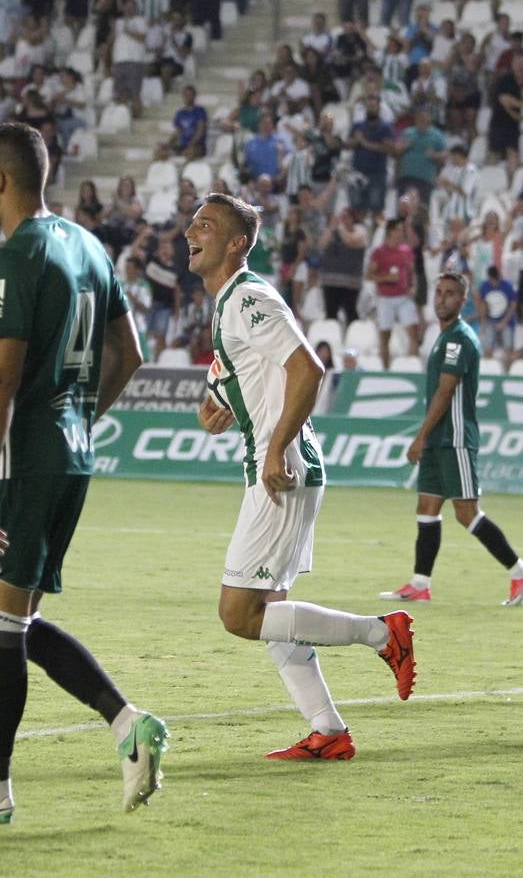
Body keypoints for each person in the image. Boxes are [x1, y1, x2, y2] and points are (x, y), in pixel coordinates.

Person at [0, 123, 168, 825]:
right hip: (70, 450)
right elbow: (132, 352)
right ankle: (125, 725)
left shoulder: (16, 252)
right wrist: (81, 418)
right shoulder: (87, 244)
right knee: (18, 618)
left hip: (27, 454)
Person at [187, 192, 416, 760]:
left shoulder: (247, 297)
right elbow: (240, 381)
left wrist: (275, 448)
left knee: (239, 615)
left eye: (207, 225)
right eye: (192, 224)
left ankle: (382, 634)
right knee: (272, 613)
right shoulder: (228, 305)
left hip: (280, 471)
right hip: (278, 465)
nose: (192, 232)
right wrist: (219, 406)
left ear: (237, 244)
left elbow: (308, 368)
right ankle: (329, 731)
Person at [380, 271, 523, 605]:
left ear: (463, 301)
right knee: (427, 506)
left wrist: (420, 437)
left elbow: (445, 393)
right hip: (438, 440)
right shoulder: (444, 337)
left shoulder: (459, 338)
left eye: (450, 294)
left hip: (454, 438)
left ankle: (519, 572)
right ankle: (420, 584)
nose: (441, 298)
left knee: (466, 512)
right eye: (439, 292)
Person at [367, 217, 420, 369]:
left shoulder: (406, 251)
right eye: (398, 230)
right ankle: (386, 368)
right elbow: (369, 275)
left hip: (403, 296)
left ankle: (412, 365)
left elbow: (412, 271)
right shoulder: (379, 252)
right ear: (390, 232)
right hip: (385, 297)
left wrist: (413, 286)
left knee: (413, 332)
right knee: (385, 335)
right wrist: (386, 278)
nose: (401, 233)